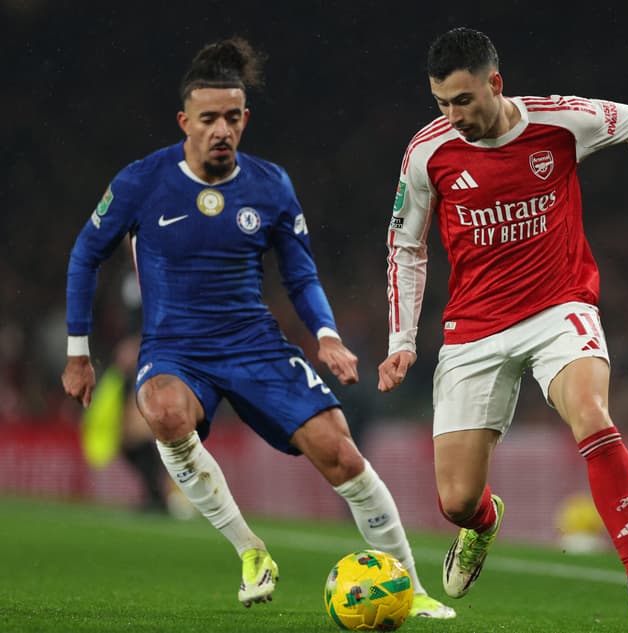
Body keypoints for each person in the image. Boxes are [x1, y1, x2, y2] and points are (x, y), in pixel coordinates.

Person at [61, 36, 454, 619]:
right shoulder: (142, 181)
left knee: (341, 454)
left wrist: (325, 335)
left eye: (232, 117)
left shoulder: (271, 186)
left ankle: (413, 589)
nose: (221, 129)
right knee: (163, 413)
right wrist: (78, 351)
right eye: (208, 118)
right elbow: (84, 255)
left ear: (246, 119)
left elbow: (300, 275)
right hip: (176, 347)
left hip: (255, 345)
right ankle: (251, 552)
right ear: (184, 121)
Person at [378, 27, 628, 633]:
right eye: (442, 103)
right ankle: (484, 524)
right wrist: (402, 341)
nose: (453, 116)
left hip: (557, 308)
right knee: (456, 501)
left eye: (464, 100)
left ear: (496, 83)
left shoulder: (559, 123)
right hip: (475, 328)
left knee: (592, 414)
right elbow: (406, 246)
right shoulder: (427, 153)